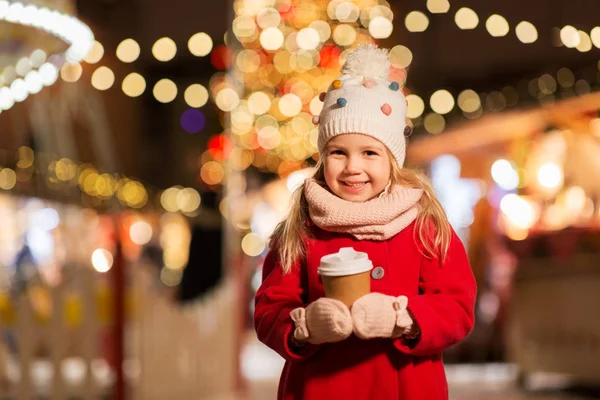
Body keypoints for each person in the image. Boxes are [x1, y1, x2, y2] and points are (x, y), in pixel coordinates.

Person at [254, 44, 477, 400]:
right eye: (338, 152)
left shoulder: (423, 225)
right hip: (319, 388)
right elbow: (269, 308)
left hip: (405, 387)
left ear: (392, 160)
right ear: (322, 157)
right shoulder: (301, 230)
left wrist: (401, 317)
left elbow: (457, 305)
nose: (352, 167)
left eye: (369, 153)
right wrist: (304, 325)